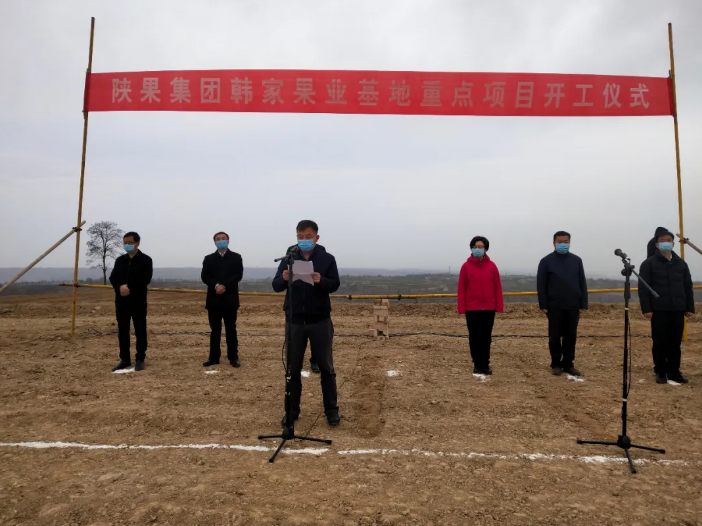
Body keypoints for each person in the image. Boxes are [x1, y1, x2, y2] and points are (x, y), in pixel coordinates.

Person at [272, 220, 341, 427]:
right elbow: (276, 285)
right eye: (300, 237)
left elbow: (335, 284)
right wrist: (284, 278)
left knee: (326, 367)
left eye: (308, 237)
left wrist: (321, 281)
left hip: (320, 320)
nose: (304, 240)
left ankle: (331, 410)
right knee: (292, 369)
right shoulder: (290, 257)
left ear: (316, 238)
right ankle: (291, 411)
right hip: (294, 321)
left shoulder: (327, 259)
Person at [639, 230, 695, 384]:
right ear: (657, 244)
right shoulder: (649, 263)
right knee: (660, 342)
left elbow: (687, 286)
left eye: (669, 240)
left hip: (677, 309)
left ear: (673, 243)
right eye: (663, 240)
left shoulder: (681, 263)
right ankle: (661, 371)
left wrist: (689, 307)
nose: (666, 243)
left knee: (675, 343)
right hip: (659, 309)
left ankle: (674, 372)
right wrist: (646, 308)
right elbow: (643, 288)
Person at [537, 231, 589, 377]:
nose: (563, 244)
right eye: (560, 242)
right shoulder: (546, 261)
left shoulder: (576, 260)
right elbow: (541, 284)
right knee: (555, 336)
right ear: (554, 243)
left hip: (573, 304)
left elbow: (582, 281)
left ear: (569, 243)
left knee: (570, 336)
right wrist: (543, 304)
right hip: (554, 306)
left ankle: (568, 363)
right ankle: (555, 363)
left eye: (566, 242)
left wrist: (583, 301)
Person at [457, 236, 504, 375]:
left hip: (489, 308)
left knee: (486, 337)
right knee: (474, 337)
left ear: (485, 249)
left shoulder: (492, 266)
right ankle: (477, 364)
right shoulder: (466, 266)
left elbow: (497, 287)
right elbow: (462, 288)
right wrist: (462, 307)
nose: (478, 249)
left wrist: (499, 306)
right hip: (472, 308)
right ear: (471, 248)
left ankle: (485, 364)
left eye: (481, 247)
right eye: (475, 247)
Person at [109, 232, 153, 372]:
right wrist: (120, 286)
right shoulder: (120, 260)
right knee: (123, 331)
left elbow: (145, 279)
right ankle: (124, 359)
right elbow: (113, 277)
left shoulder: (146, 260)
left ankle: (140, 358)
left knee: (140, 330)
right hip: (121, 301)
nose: (127, 245)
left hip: (138, 301)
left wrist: (129, 288)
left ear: (137, 243)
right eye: (125, 243)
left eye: (130, 242)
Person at [201, 232, 244, 368]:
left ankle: (233, 357)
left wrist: (224, 285)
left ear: (228, 241)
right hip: (214, 300)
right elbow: (205, 276)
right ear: (215, 242)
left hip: (230, 299)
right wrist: (216, 286)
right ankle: (214, 357)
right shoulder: (209, 259)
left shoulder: (236, 257)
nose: (221, 241)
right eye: (218, 239)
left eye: (223, 239)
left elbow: (238, 275)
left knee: (231, 329)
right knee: (215, 330)